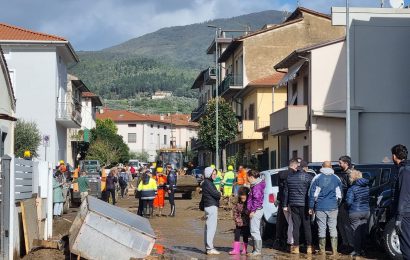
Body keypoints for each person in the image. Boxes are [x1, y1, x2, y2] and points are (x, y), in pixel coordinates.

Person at [309, 161, 342, 255]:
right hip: (333, 207)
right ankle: (334, 251)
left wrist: (311, 206)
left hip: (320, 206)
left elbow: (312, 194)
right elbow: (340, 195)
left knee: (322, 228)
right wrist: (336, 205)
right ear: (331, 167)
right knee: (333, 228)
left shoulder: (317, 178)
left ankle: (322, 251)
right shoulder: (336, 178)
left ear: (322, 167)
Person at [284, 159, 313, 254]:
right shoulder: (309, 177)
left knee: (296, 226)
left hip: (293, 204)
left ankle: (296, 247)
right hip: (305, 204)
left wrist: (285, 204)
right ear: (304, 168)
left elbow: (286, 192)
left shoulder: (289, 177)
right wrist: (311, 206)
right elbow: (311, 193)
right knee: (307, 226)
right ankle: (309, 247)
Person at [391, 144, 410, 258]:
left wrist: (399, 218)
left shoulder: (404, 171)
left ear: (394, 156)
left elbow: (403, 196)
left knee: (406, 248)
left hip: (406, 214)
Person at [346, 170, 370, 257]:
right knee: (363, 231)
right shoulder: (367, 187)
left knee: (356, 232)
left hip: (355, 212)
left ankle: (357, 251)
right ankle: (363, 250)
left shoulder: (352, 188)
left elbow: (348, 202)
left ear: (353, 177)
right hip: (366, 211)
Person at [201, 167, 221, 255]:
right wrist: (219, 193)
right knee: (211, 228)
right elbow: (216, 194)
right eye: (213, 174)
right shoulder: (208, 183)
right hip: (211, 206)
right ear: (209, 174)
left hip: (208, 206)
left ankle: (208, 247)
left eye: (215, 174)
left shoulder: (206, 183)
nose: (215, 175)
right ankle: (210, 248)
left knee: (208, 227)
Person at [273, 167, 293, 251]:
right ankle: (288, 243)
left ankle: (279, 241)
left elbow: (280, 191)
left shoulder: (281, 175)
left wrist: (278, 200)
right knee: (290, 224)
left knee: (281, 223)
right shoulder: (293, 175)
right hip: (291, 203)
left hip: (282, 203)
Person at [337, 155, 354, 253]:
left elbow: (351, 190)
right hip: (340, 203)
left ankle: (350, 245)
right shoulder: (342, 173)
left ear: (346, 163)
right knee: (340, 224)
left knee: (347, 225)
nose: (339, 164)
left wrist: (347, 202)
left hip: (346, 203)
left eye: (340, 163)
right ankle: (345, 243)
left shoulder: (350, 174)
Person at [246, 169, 265, 256]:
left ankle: (257, 251)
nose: (247, 178)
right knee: (254, 230)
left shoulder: (257, 186)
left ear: (251, 177)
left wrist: (252, 211)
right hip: (256, 210)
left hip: (256, 211)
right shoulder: (255, 184)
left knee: (254, 230)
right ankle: (255, 250)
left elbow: (257, 200)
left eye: (247, 177)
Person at [229, 186, 251, 255]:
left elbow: (250, 212)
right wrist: (237, 220)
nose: (242, 197)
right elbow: (235, 212)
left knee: (245, 235)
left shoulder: (249, 203)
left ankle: (245, 249)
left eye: (244, 195)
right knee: (237, 234)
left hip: (247, 222)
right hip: (239, 221)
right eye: (241, 195)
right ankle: (236, 249)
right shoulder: (238, 203)